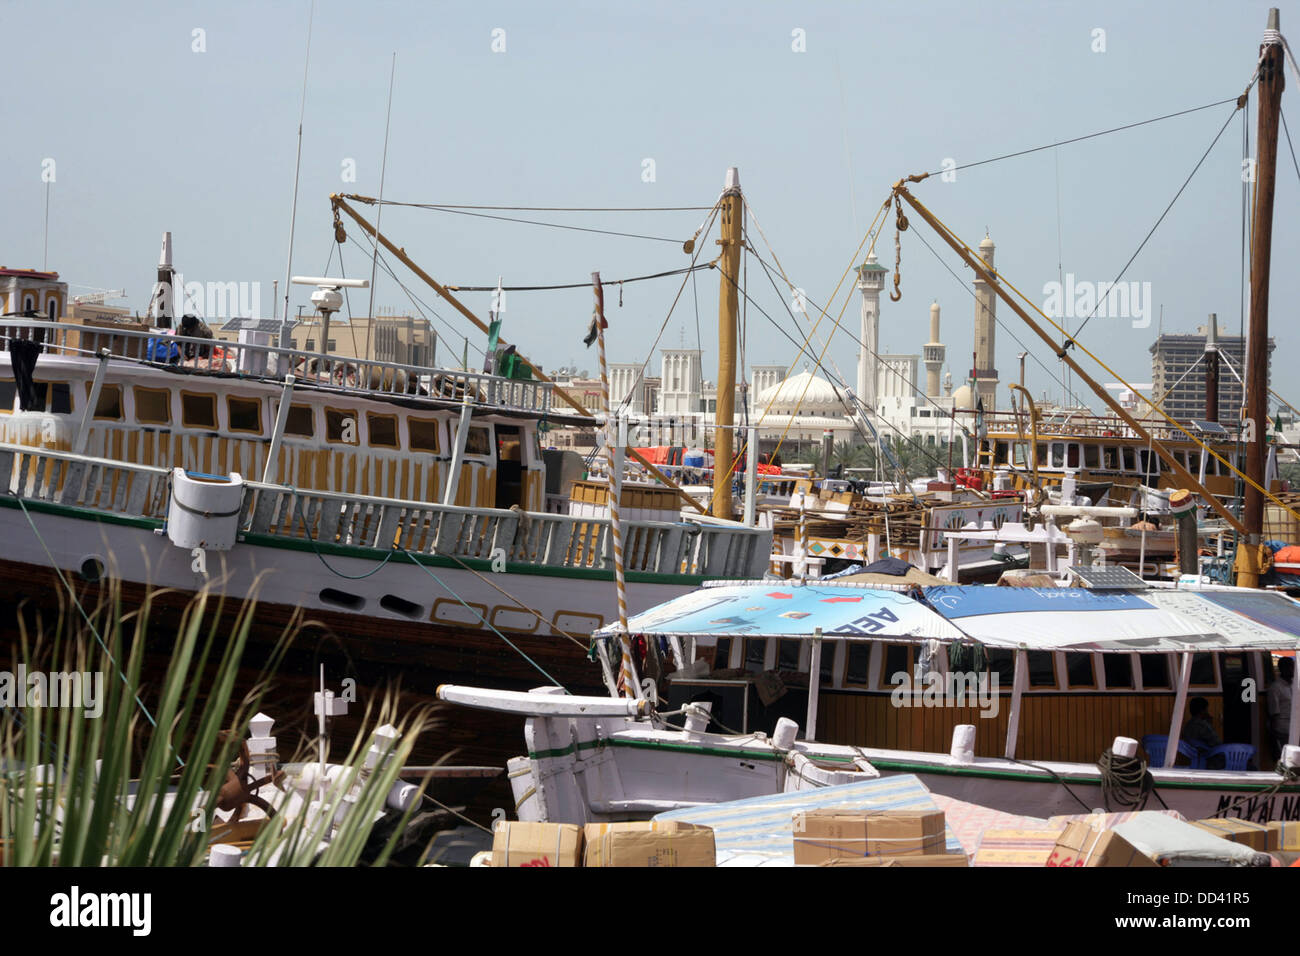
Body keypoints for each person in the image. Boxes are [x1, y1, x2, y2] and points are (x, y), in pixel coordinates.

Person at [1182, 697, 1223, 768]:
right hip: (1211, 760)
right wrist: (1209, 725)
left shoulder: (1188, 725)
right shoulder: (1203, 725)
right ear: (1202, 711)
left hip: (1195, 760)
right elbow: (1217, 743)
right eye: (1206, 709)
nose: (1208, 711)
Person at [1268, 658, 1294, 759]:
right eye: (1291, 667)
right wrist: (1274, 735)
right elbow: (1274, 713)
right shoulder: (1275, 688)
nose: (1293, 670)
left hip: (1295, 727)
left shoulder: (1294, 685)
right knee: (1287, 759)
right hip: (1283, 730)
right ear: (1283, 669)